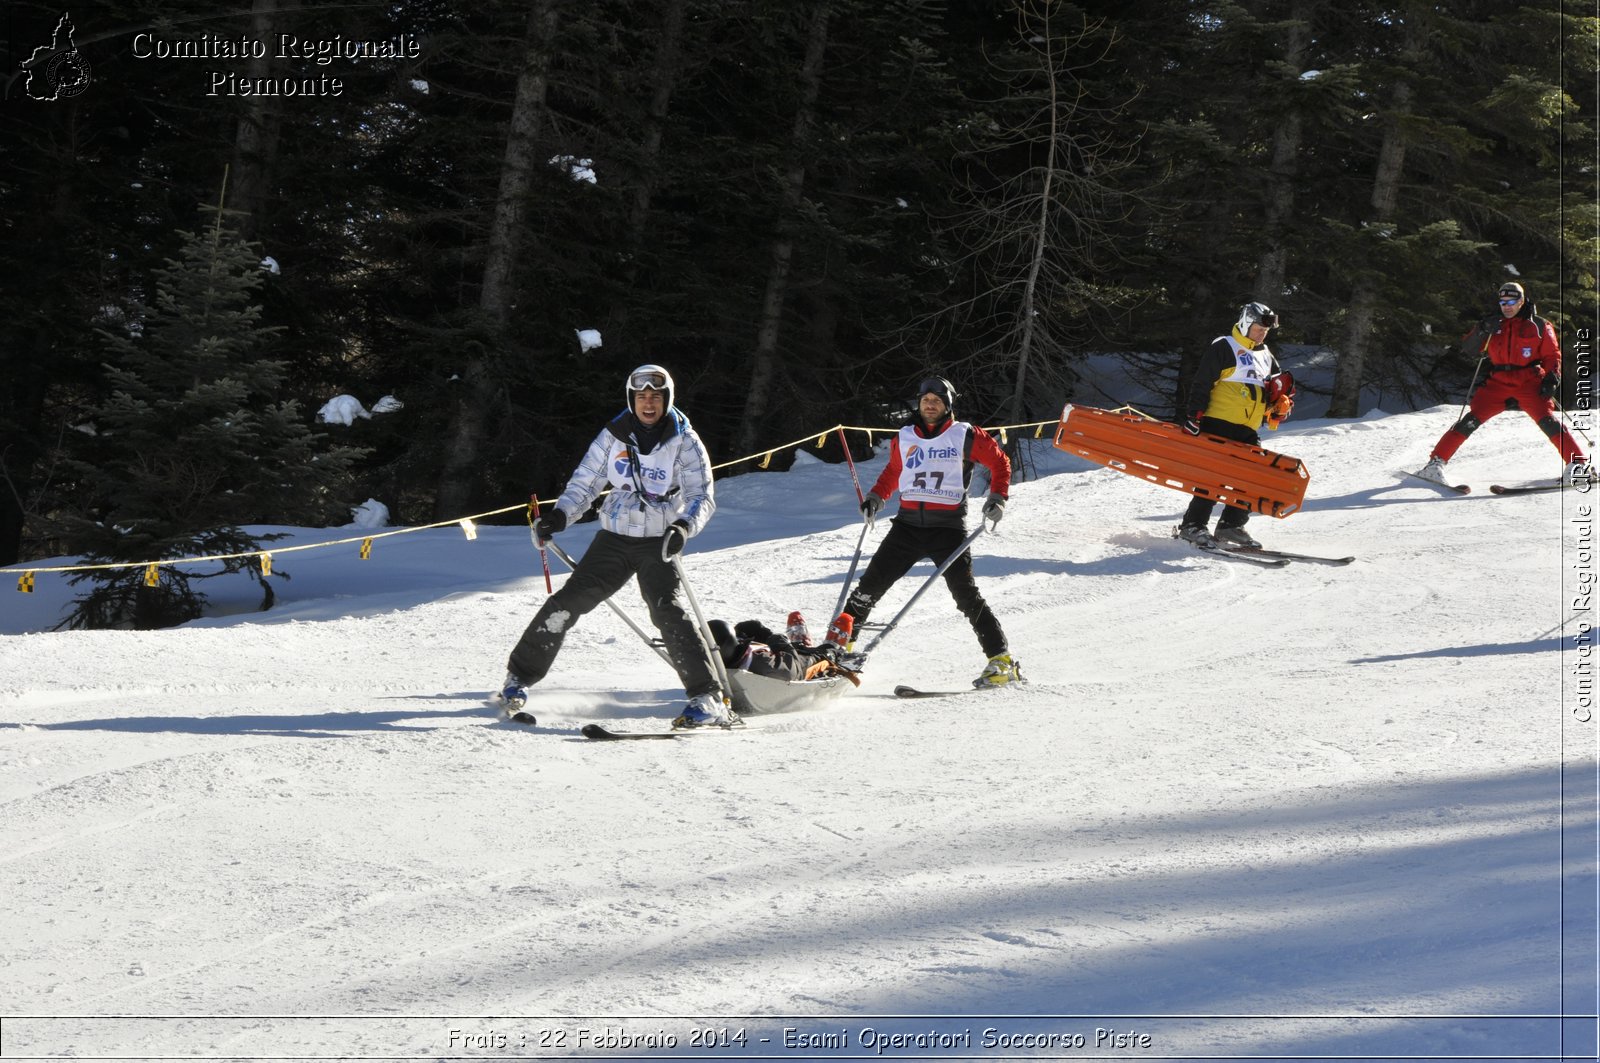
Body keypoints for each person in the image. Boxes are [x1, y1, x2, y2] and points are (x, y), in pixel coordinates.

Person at [498, 364, 736, 729]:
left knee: (667, 611)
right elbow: (586, 482)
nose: (648, 404)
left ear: (667, 399)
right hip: (615, 536)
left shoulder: (684, 440)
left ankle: (706, 696)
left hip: (660, 539)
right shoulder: (614, 435)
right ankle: (518, 678)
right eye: (641, 397)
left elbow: (700, 495)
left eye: (656, 397)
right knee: (567, 603)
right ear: (632, 399)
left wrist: (684, 527)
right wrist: (560, 516)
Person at [839, 375, 1020, 688]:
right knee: (866, 590)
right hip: (906, 527)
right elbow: (894, 471)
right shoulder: (906, 436)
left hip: (947, 529)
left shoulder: (965, 435)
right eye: (925, 401)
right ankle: (841, 651)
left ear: (947, 405)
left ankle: (1001, 661)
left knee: (966, 597)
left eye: (937, 401)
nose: (930, 405)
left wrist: (997, 497)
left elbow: (1000, 463)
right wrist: (876, 496)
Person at [1415, 281, 1591, 486]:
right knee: (1470, 420)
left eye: (1511, 301)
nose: (1506, 305)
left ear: (1521, 301)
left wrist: (1552, 377)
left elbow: (1552, 355)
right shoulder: (1492, 324)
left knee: (1548, 421)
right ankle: (1434, 464)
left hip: (1529, 380)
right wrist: (1481, 330)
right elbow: (1469, 349)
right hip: (1498, 382)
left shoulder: (1539, 325)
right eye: (1503, 301)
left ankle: (1578, 466)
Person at [1176, 301, 1295, 550]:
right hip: (1218, 422)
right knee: (1215, 476)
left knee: (1253, 476)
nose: (1262, 333)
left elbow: (1275, 391)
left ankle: (1231, 524)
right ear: (1245, 323)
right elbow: (1202, 381)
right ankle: (1192, 525)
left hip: (1248, 428)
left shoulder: (1266, 356)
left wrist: (1280, 405)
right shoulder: (1224, 347)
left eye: (1265, 330)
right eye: (1257, 328)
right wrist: (1193, 415)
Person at [707, 619, 861, 686]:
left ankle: (799, 643)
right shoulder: (762, 663)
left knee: (750, 628)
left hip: (778, 656)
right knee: (820, 655)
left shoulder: (724, 659)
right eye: (737, 639)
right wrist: (780, 641)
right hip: (800, 664)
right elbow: (792, 671)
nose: (740, 640)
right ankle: (832, 648)